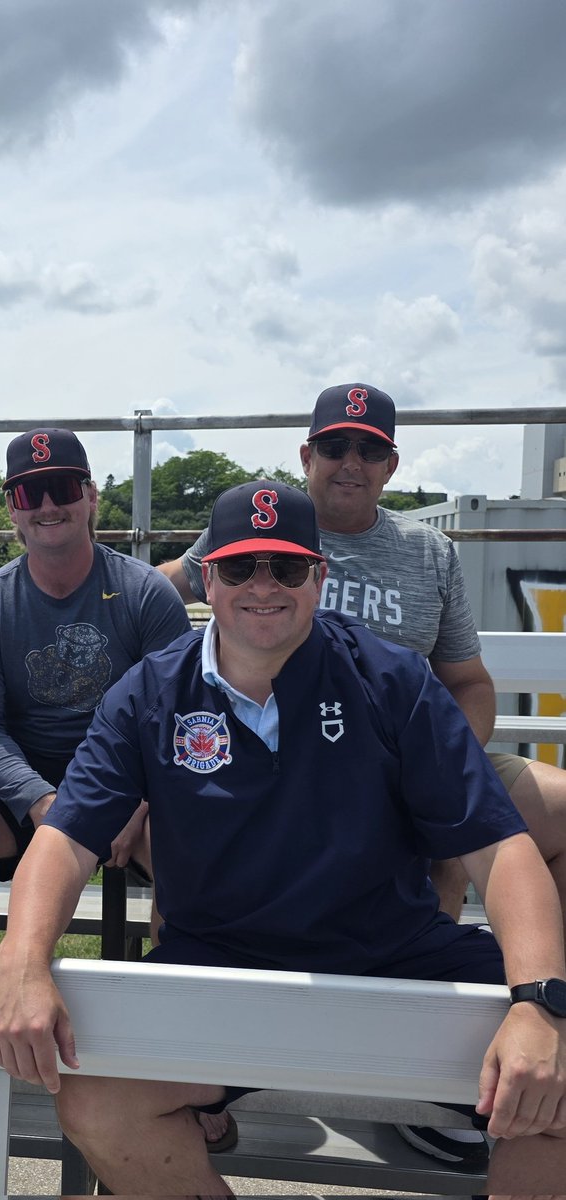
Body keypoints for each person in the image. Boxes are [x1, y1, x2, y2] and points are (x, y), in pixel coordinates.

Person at [0, 479, 566, 1197]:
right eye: (239, 567)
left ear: (319, 577)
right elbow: (66, 840)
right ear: (206, 578)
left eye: (286, 567)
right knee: (99, 1100)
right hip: (222, 966)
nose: (262, 586)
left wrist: (538, 1003)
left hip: (391, 958)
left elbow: (499, 846)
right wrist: (21, 962)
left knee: (558, 1078)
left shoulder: (391, 680)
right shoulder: (147, 692)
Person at [161, 383, 566, 1167]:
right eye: (336, 447)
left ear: (390, 464)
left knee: (518, 819)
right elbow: (150, 595)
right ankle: (199, 1071)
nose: (351, 463)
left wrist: (445, 761)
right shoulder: (262, 528)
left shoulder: (427, 551)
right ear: (305, 455)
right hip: (284, 761)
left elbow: (468, 681)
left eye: (369, 448)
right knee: (200, 817)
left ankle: (517, 1044)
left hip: (418, 747)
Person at [0, 427, 191, 1136]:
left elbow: (177, 714)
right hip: (27, 791)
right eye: (28, 492)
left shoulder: (143, 594)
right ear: (10, 507)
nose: (47, 504)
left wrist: (133, 796)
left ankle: (172, 1068)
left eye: (63, 488)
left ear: (91, 497)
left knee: (190, 842)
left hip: (128, 790)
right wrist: (42, 800)